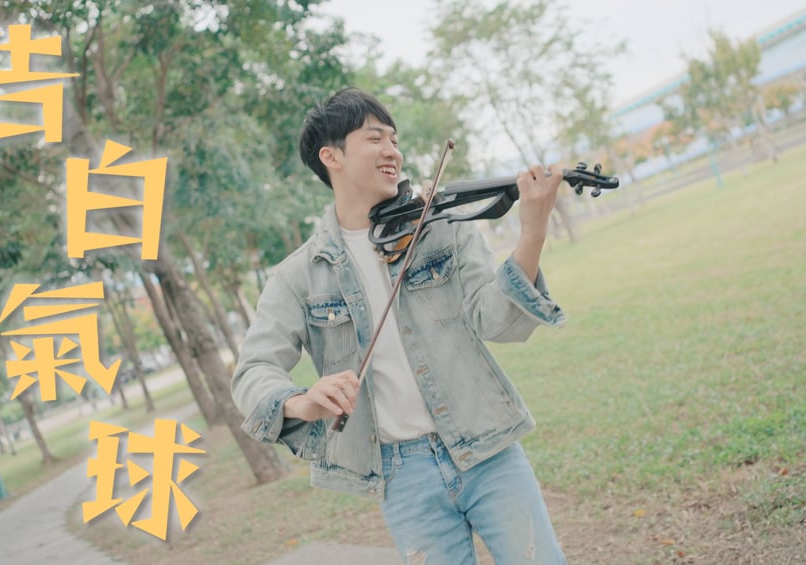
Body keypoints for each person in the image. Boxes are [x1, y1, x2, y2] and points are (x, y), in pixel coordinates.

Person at [231, 88, 568, 564]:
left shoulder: (441, 226)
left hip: (487, 447)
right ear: (331, 157)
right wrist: (301, 401)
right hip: (402, 474)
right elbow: (253, 371)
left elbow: (497, 321)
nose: (392, 151)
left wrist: (532, 231)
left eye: (394, 139)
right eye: (375, 139)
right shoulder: (297, 276)